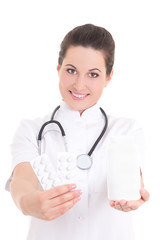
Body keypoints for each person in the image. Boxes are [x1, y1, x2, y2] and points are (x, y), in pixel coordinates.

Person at [6, 23, 149, 240]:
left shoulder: (127, 130)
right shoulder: (31, 130)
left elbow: (133, 178)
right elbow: (22, 180)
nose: (79, 85)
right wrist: (27, 202)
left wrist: (132, 196)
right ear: (58, 69)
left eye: (93, 74)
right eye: (71, 71)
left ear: (108, 77)